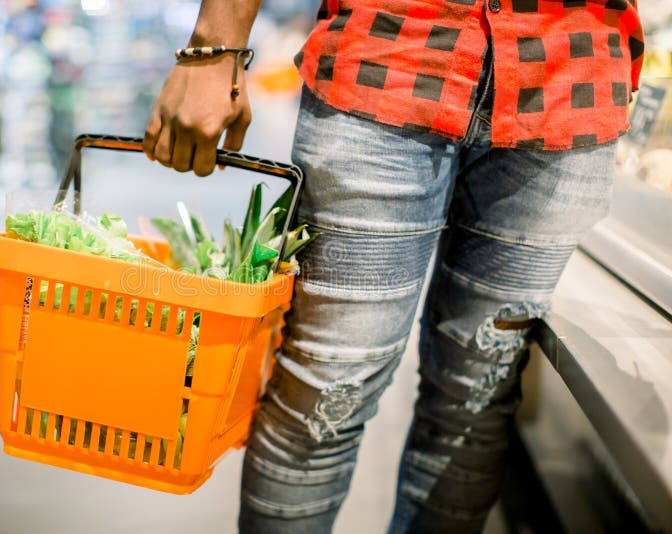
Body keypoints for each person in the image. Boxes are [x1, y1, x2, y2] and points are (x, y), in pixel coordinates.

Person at [143, 1, 644, 532]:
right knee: (324, 398)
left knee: (474, 407)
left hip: (572, 72)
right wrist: (214, 46)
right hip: (390, 52)